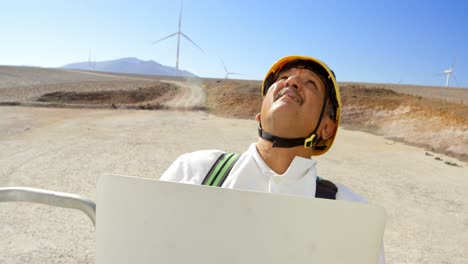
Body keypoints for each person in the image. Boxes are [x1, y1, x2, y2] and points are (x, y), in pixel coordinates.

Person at [160, 55, 385, 263]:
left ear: (327, 127)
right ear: (259, 114)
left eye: (310, 83)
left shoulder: (351, 214)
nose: (292, 82)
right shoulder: (195, 171)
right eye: (284, 78)